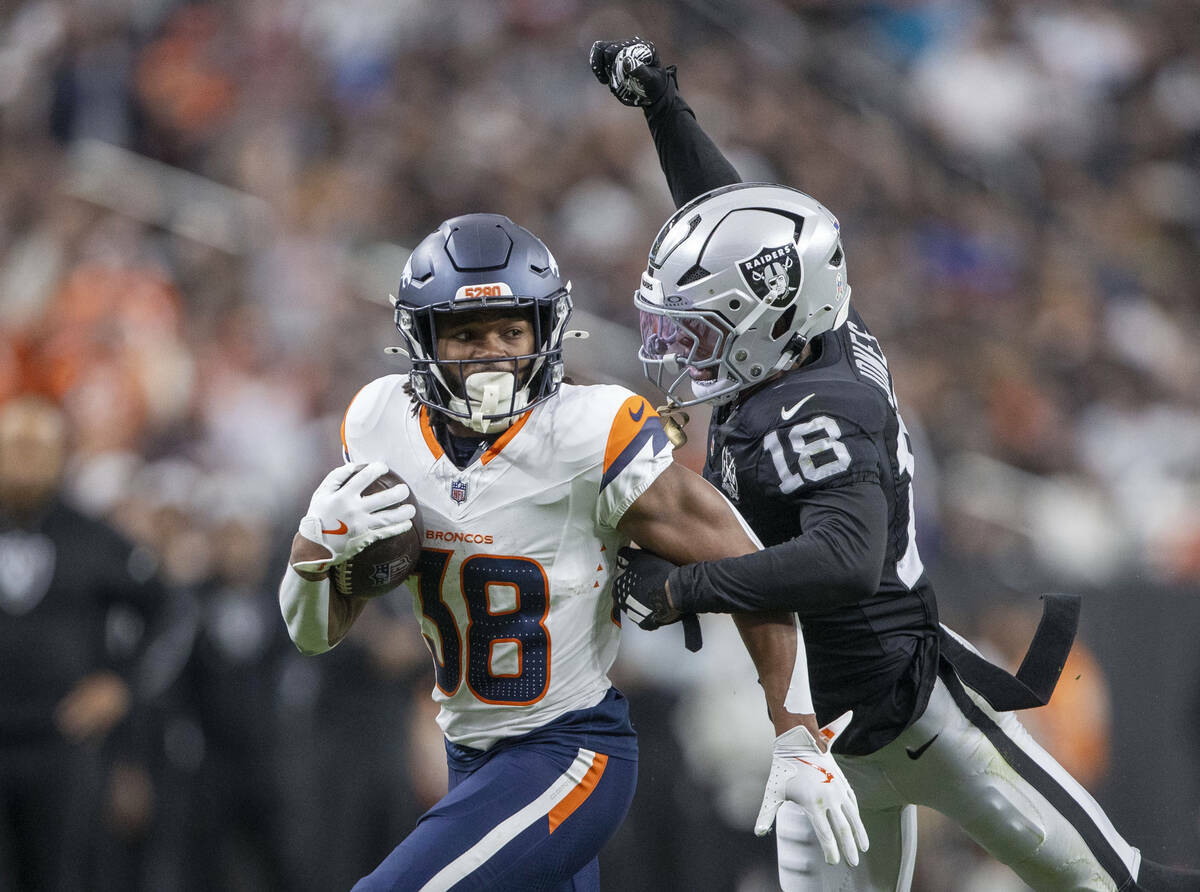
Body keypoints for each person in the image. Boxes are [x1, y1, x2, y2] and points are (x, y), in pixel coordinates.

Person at [590, 38, 1200, 892]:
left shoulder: (813, 409)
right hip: (819, 739)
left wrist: (683, 587)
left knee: (1114, 884)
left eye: (701, 327)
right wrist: (665, 107)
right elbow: (731, 208)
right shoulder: (810, 332)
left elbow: (845, 560)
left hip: (924, 720)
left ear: (765, 321)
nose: (684, 349)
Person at [277, 213, 867, 890]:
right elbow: (312, 632)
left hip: (570, 753)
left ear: (546, 331)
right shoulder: (380, 425)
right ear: (423, 338)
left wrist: (796, 731)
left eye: (511, 329)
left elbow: (751, 568)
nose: (493, 353)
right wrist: (314, 547)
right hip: (470, 757)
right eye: (467, 334)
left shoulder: (588, 433)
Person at [0, 395, 166, 891]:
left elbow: (167, 610)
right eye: (15, 445)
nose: (26, 458)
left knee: (60, 876)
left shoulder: (93, 537)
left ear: (62, 456)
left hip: (62, 742)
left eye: (39, 446)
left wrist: (122, 683)